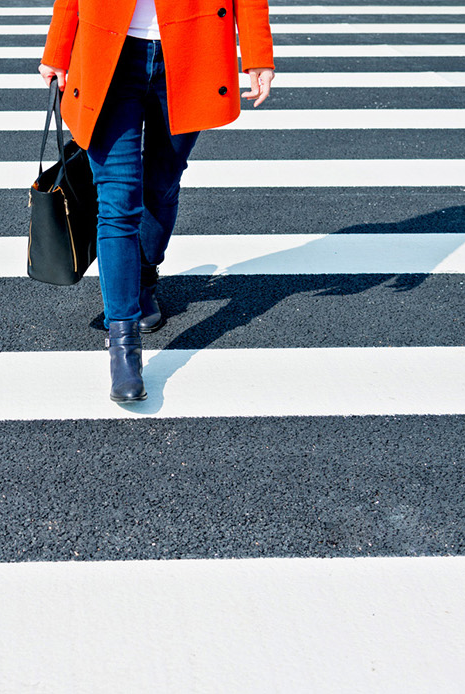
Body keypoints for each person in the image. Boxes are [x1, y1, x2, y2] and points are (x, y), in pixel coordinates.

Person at [39, 0, 275, 403]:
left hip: (190, 50)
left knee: (162, 183)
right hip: (107, 52)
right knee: (117, 205)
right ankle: (124, 346)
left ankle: (145, 275)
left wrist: (257, 53)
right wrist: (58, 49)